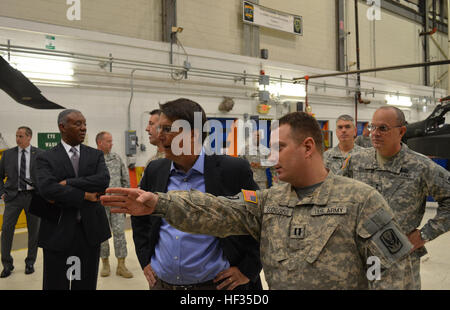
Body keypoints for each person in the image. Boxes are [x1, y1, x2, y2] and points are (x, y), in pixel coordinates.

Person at [102, 111, 414, 290]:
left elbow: (395, 276)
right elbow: (218, 209)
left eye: (278, 148)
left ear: (308, 147)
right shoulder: (269, 201)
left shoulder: (361, 201)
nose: (269, 157)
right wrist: (160, 203)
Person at [130, 98, 263, 290]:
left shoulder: (232, 170)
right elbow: (140, 219)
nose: (159, 136)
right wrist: (145, 260)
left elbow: (259, 220)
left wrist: (247, 270)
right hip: (162, 284)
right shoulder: (155, 170)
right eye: (159, 129)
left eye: (167, 129)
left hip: (216, 286)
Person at [339, 106, 450, 289]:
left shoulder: (421, 166)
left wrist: (424, 234)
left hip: (398, 259)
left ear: (401, 131)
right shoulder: (357, 161)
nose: (375, 133)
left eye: (383, 128)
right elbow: (338, 194)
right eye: (372, 127)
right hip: (359, 255)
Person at [36, 109, 111, 290]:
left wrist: (68, 183)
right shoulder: (45, 157)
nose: (83, 128)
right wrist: (84, 195)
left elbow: (102, 180)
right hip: (58, 231)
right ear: (62, 127)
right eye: (78, 124)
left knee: (85, 284)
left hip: (89, 232)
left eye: (84, 123)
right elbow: (48, 189)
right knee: (56, 283)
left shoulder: (96, 155)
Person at [0, 126, 42, 278]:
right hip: (13, 197)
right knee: (6, 231)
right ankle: (6, 264)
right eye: (16, 136)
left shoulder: (40, 154)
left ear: (29, 137)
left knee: (34, 232)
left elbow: (46, 176)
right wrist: (2, 192)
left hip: (33, 197)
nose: (17, 139)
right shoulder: (8, 155)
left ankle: (30, 262)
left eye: (21, 136)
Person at [96, 131, 133, 278]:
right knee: (102, 235)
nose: (112, 144)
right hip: (99, 203)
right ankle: (105, 264)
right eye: (109, 141)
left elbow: (126, 181)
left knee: (119, 233)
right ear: (100, 143)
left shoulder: (116, 158)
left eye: (111, 141)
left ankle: (121, 265)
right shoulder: (93, 159)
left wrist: (127, 199)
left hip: (117, 203)